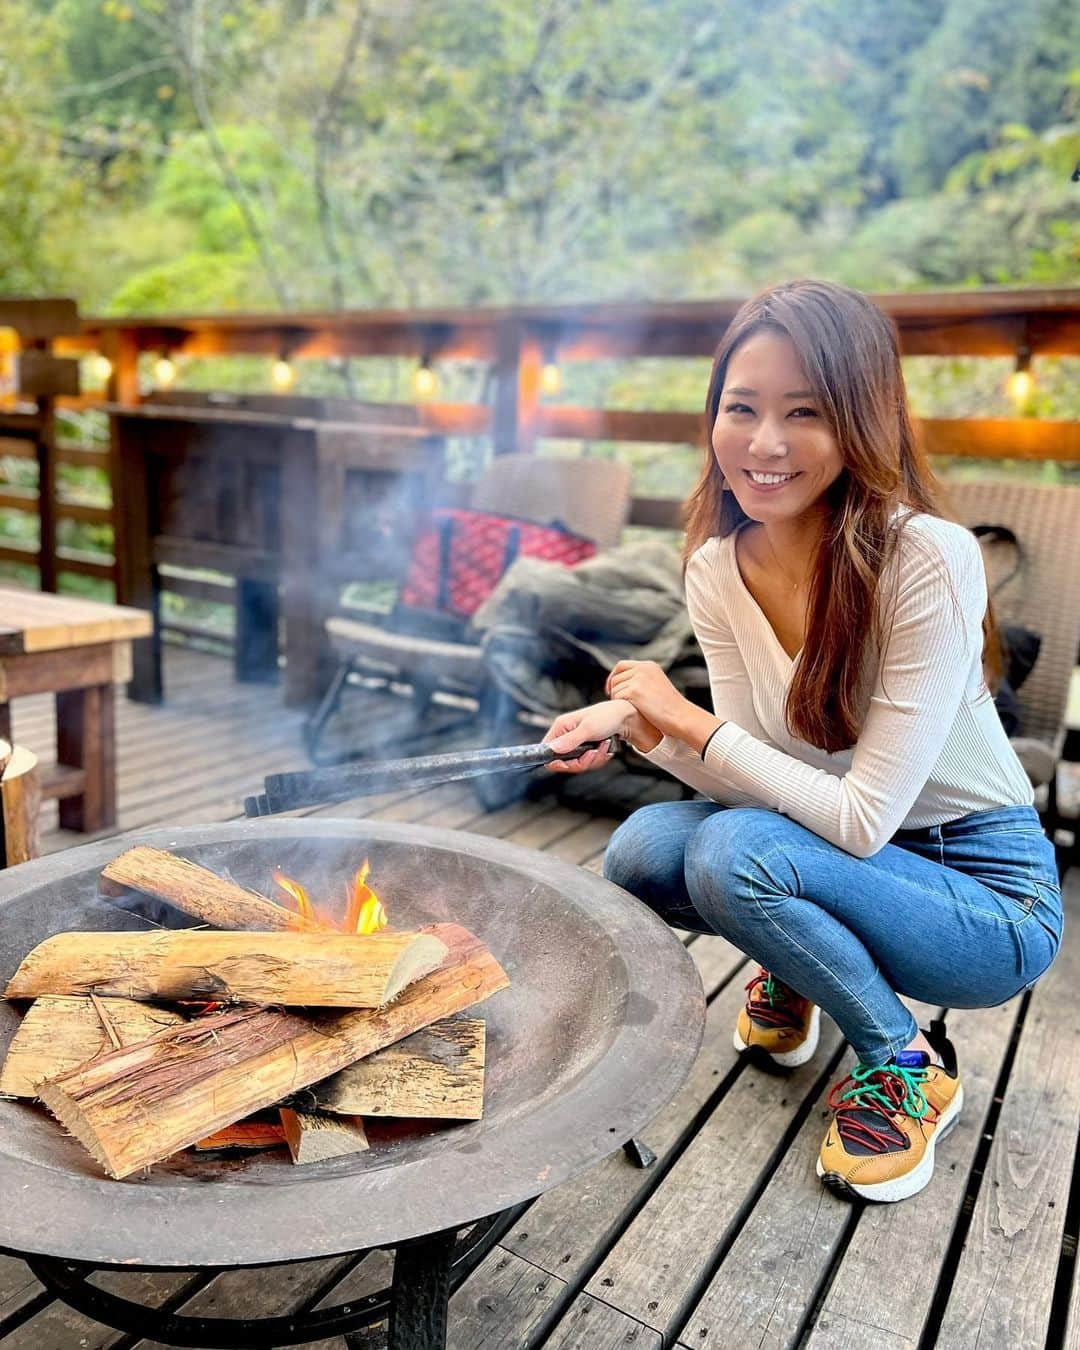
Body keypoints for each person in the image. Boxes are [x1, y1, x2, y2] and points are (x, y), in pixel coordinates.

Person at [542, 279, 1062, 1204]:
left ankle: (903, 1060)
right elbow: (752, 771)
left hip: (987, 901)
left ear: (862, 423)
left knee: (738, 852)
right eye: (740, 408)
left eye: (805, 413)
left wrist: (685, 719)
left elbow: (861, 821)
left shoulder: (927, 557)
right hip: (835, 854)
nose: (764, 443)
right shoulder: (716, 566)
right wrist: (639, 726)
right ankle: (802, 959)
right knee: (643, 850)